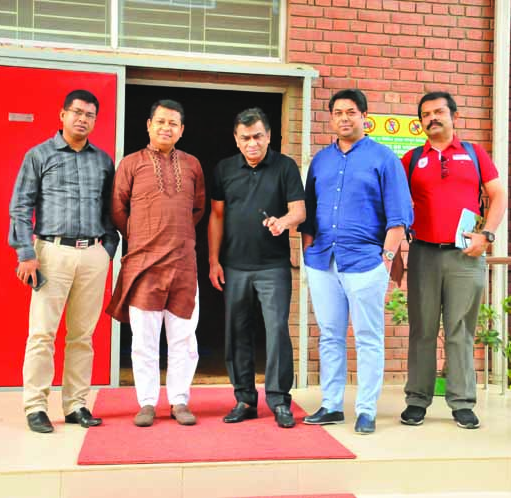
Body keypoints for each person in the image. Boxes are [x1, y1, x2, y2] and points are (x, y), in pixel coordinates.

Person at [299, 89, 413, 435]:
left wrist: (386, 259)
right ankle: (332, 404)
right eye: (337, 113)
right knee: (330, 335)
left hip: (366, 262)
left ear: (365, 116)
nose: (344, 118)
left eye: (351, 112)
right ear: (330, 118)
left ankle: (366, 409)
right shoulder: (320, 160)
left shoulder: (384, 159)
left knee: (367, 337)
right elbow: (308, 214)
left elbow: (399, 218)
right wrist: (307, 255)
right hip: (323, 261)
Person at [9, 89, 119, 434]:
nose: (82, 119)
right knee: (42, 333)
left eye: (89, 115)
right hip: (51, 253)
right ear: (62, 114)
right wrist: (26, 254)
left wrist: (107, 250)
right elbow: (20, 206)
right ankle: (36, 406)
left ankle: (76, 405)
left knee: (83, 335)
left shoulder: (102, 161)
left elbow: (110, 211)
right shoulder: (39, 155)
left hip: (93, 255)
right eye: (77, 112)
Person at [400, 91, 506, 429]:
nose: (432, 118)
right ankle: (417, 400)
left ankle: (462, 403)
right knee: (422, 330)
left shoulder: (475, 154)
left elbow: (498, 194)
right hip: (423, 253)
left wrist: (486, 235)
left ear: (454, 116)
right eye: (426, 114)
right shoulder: (412, 159)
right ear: (420, 123)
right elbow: (393, 203)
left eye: (439, 112)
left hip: (466, 255)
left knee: (461, 330)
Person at [106, 100, 205, 427]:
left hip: (183, 265)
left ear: (182, 130)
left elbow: (198, 208)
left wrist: (176, 236)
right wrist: (141, 234)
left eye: (173, 123)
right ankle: (146, 402)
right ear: (148, 125)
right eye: (161, 121)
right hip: (143, 264)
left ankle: (179, 401)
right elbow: (118, 209)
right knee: (144, 340)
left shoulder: (192, 165)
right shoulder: (131, 163)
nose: (166, 128)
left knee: (184, 339)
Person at [208, 107, 306, 429]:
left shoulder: (285, 167)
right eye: (246, 138)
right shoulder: (224, 169)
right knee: (237, 331)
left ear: (269, 137)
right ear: (236, 140)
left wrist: (283, 222)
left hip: (273, 267)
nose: (253, 143)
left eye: (258, 137)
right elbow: (217, 216)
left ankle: (279, 400)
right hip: (235, 266)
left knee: (276, 330)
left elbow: (299, 211)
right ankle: (244, 399)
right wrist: (213, 260)